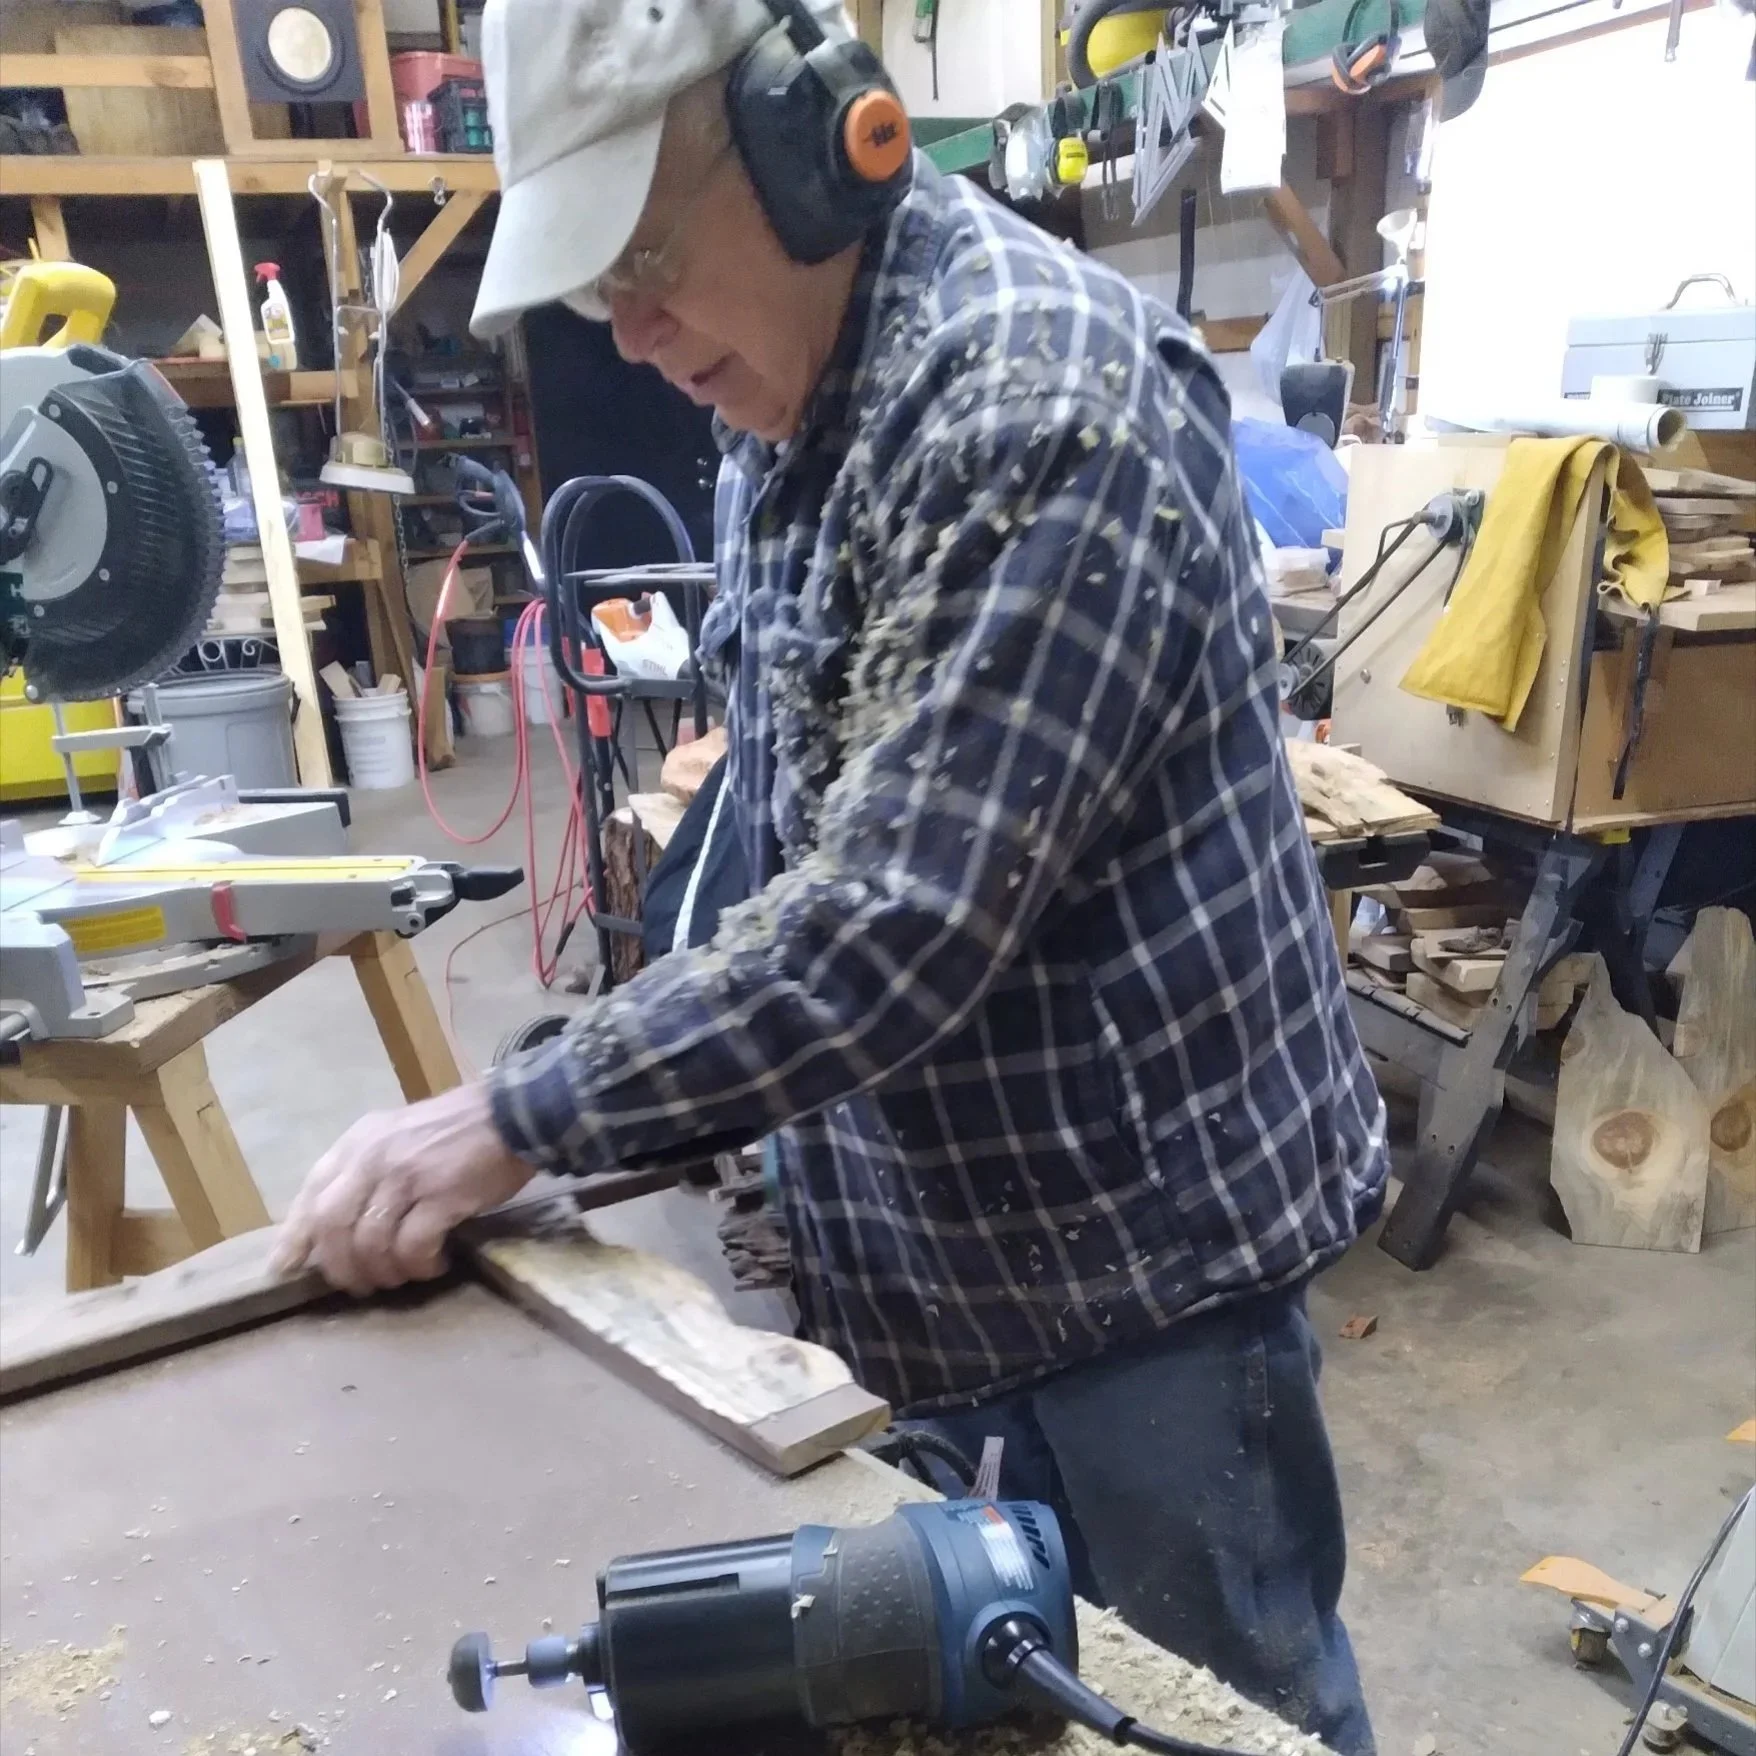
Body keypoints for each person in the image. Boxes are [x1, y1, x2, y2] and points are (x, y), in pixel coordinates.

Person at [273, 3, 1388, 1747]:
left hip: (1143, 1288)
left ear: (823, 145)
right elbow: (798, 815)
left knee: (1213, 1720)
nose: (629, 334)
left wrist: (521, 1113)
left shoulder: (1042, 407)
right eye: (592, 285)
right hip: (927, 1264)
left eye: (646, 258)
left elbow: (891, 924)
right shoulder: (784, 389)